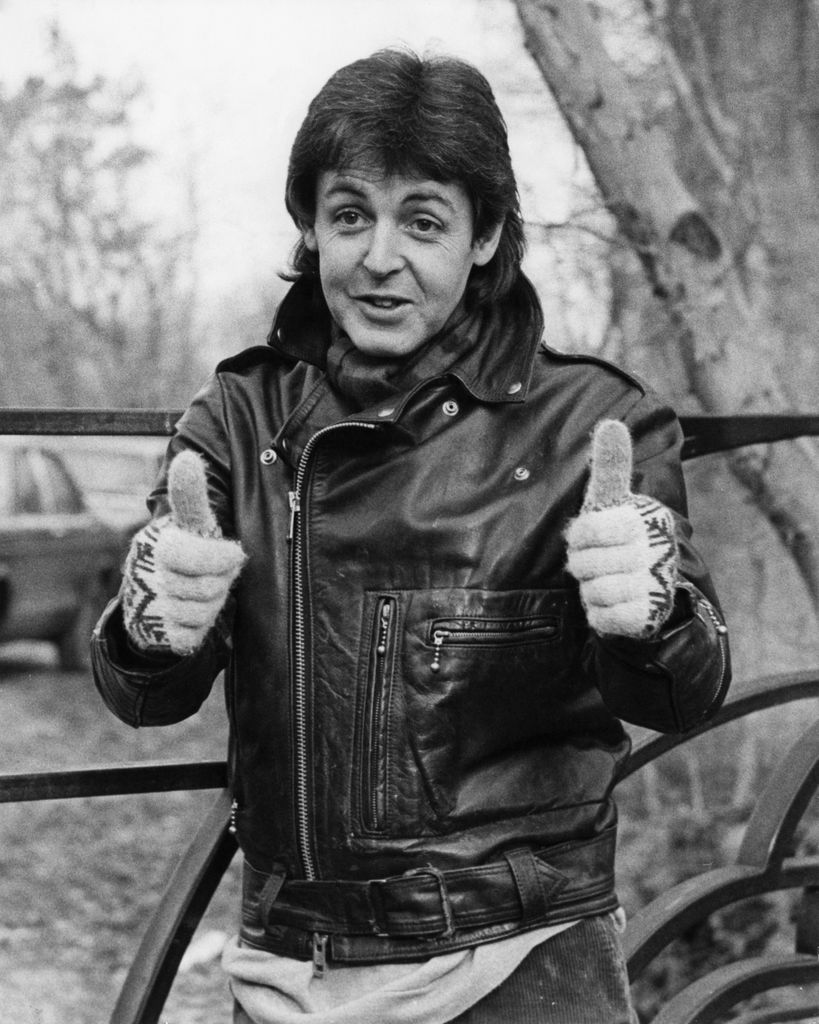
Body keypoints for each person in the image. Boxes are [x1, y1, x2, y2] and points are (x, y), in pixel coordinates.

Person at [92, 47, 731, 1024]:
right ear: (312, 226)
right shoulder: (236, 420)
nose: (379, 256)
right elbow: (151, 695)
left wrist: (652, 615)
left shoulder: (593, 424)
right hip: (290, 971)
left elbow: (684, 694)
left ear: (486, 236)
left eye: (422, 220)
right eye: (351, 215)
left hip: (523, 965)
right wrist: (150, 622)